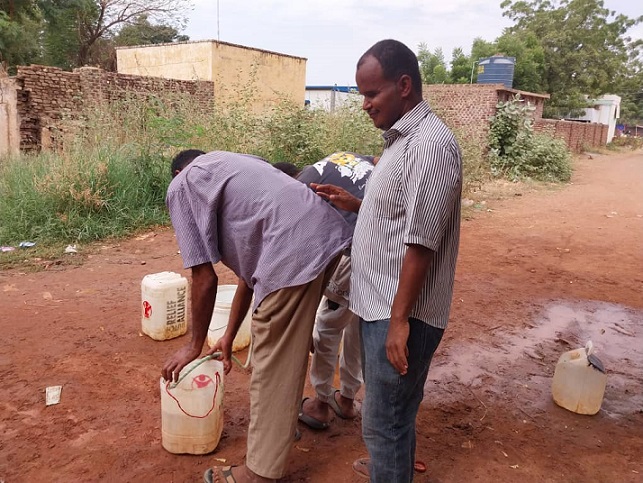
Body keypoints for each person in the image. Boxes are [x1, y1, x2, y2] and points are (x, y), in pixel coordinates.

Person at [313, 39, 462, 482]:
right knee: (397, 416)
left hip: (401, 312)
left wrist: (399, 322)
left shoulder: (431, 145)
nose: (364, 104)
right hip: (382, 303)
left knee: (383, 424)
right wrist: (357, 204)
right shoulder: (402, 143)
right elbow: (402, 215)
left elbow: (421, 241)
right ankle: (389, 467)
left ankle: (388, 468)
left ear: (403, 85)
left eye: (371, 94)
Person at [161, 149, 352, 483]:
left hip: (291, 250)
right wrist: (228, 335)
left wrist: (192, 345)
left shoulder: (182, 186)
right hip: (326, 234)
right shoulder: (232, 164)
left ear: (179, 173)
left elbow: (205, 278)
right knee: (287, 351)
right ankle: (281, 431)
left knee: (271, 358)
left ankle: (259, 471)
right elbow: (248, 277)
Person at [275, 152, 376, 428]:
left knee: (329, 324)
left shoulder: (300, 188)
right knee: (356, 322)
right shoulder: (342, 158)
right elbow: (377, 160)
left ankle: (320, 404)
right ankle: (346, 399)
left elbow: (302, 247)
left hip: (356, 251)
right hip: (386, 249)